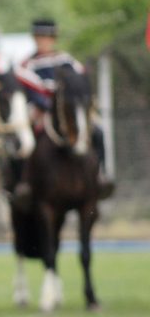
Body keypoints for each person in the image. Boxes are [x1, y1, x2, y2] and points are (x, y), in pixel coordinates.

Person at [14, 18, 112, 198]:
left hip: (68, 111)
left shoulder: (67, 60)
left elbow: (80, 82)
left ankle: (100, 174)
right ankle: (24, 182)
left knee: (97, 132)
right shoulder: (27, 65)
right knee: (26, 141)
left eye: (48, 37)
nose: (44, 41)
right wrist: (45, 104)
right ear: (34, 38)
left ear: (54, 39)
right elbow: (31, 90)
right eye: (40, 37)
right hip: (41, 109)